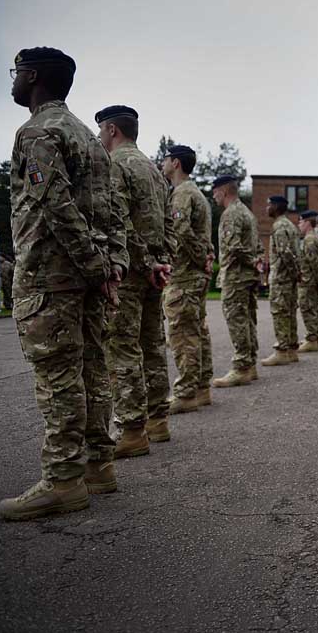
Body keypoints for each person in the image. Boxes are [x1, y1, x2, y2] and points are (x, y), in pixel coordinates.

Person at [0, 47, 128, 520]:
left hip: (52, 277)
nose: (12, 81)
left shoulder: (38, 131)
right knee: (92, 369)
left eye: (17, 72)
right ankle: (99, 466)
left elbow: (54, 205)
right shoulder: (88, 138)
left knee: (58, 377)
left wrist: (95, 265)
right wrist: (111, 265)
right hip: (86, 277)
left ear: (32, 77)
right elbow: (112, 210)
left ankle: (63, 480)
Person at [96, 105, 174, 455]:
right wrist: (162, 262)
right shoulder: (155, 171)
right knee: (153, 345)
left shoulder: (116, 164)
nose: (100, 137)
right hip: (153, 271)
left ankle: (131, 431)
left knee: (122, 347)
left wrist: (143, 264)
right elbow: (168, 225)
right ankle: (158, 421)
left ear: (112, 130)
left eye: (101, 130)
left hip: (131, 271)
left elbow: (120, 221)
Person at [161, 145, 214, 414]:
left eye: (166, 159)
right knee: (197, 330)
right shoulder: (198, 194)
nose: (163, 162)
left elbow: (180, 230)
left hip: (184, 275)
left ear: (176, 163)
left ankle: (186, 392)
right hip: (195, 274)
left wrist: (197, 258)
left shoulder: (182, 194)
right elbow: (205, 234)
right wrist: (206, 258)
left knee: (183, 334)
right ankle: (202, 386)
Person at [212, 175, 262, 387]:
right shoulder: (247, 213)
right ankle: (249, 364)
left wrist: (250, 262)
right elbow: (257, 245)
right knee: (247, 319)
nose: (213, 197)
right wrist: (256, 263)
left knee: (237, 320)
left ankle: (242, 366)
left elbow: (233, 248)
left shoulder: (231, 214)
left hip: (236, 276)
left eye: (215, 192)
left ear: (223, 191)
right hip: (247, 276)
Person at [261, 195, 301, 366]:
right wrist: (296, 274)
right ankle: (291, 350)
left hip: (282, 279)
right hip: (289, 279)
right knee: (290, 313)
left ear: (276, 207)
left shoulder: (279, 226)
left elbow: (285, 254)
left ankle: (282, 351)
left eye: (268, 205)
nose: (266, 208)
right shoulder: (290, 225)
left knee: (280, 314)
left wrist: (292, 273)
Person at [296, 210, 318, 352]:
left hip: (308, 281)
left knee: (307, 308)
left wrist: (314, 281)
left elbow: (313, 262)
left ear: (308, 223)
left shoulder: (310, 239)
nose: (299, 225)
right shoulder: (315, 237)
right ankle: (317, 338)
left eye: (301, 222)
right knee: (314, 309)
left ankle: (312, 338)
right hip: (312, 280)